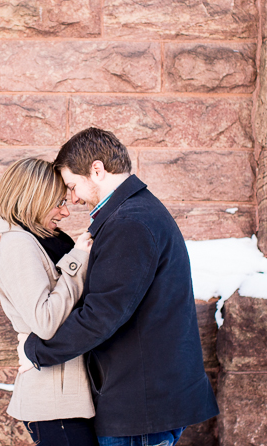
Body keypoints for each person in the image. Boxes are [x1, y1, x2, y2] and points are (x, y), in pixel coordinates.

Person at [18, 128, 219, 446]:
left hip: (138, 406)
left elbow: (103, 314)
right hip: (142, 402)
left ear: (96, 170)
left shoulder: (130, 223)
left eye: (72, 185)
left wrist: (36, 351)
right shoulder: (134, 213)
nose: (73, 199)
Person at [0, 157, 99, 446]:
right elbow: (45, 321)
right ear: (33, 200)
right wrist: (78, 259)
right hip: (54, 402)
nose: (66, 212)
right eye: (57, 203)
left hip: (67, 396)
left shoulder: (44, 239)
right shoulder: (18, 245)